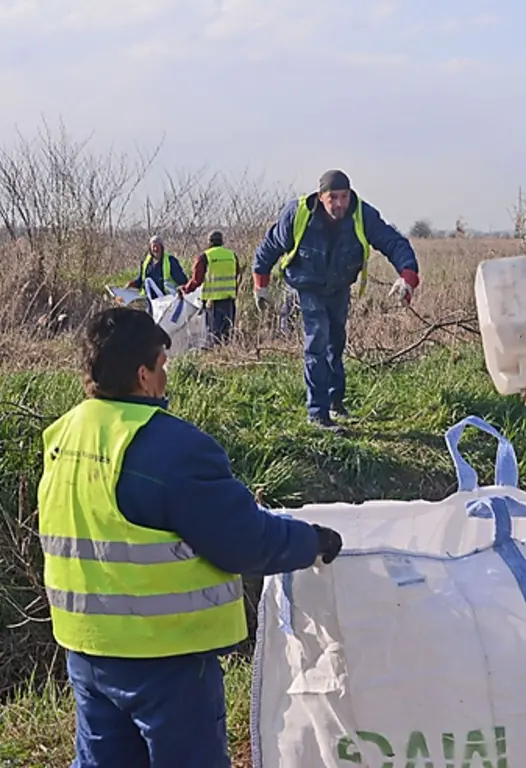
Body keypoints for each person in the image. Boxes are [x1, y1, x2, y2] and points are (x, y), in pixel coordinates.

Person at [36, 306, 344, 767]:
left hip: (87, 651)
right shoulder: (172, 449)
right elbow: (245, 542)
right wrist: (312, 541)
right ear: (143, 375)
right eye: (163, 366)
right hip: (166, 659)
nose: (166, 377)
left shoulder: (64, 434)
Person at [252, 169, 420, 429]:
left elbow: (392, 241)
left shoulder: (362, 215)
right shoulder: (297, 215)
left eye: (344, 196)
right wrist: (260, 284)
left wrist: (408, 275)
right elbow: (270, 246)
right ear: (321, 197)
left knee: (336, 341)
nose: (340, 203)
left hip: (339, 286)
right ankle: (317, 414)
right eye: (333, 197)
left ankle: (335, 402)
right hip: (307, 284)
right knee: (317, 339)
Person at [179, 230, 241, 344]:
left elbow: (196, 280)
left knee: (213, 335)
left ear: (209, 242)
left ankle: (216, 357)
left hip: (213, 302)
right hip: (229, 300)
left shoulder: (204, 257)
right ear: (222, 241)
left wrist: (185, 289)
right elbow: (237, 274)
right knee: (227, 334)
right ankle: (227, 356)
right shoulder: (232, 255)